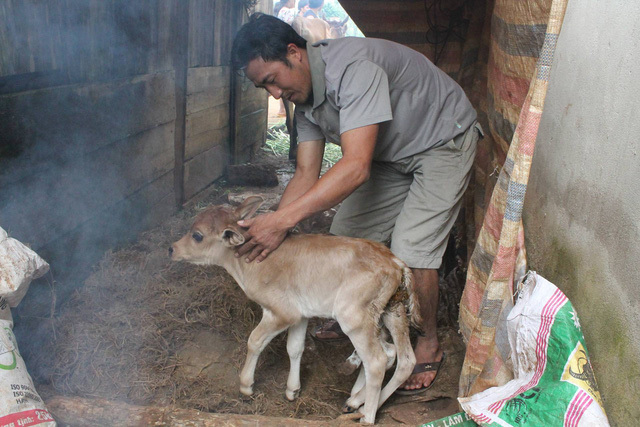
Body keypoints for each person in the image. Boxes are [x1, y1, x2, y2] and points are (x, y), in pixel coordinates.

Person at [231, 14, 482, 394]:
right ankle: (350, 306)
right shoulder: (307, 97)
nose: (274, 95)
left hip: (441, 142)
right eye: (262, 87)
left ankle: (428, 340)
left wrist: (282, 222)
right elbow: (304, 173)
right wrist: (277, 227)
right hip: (391, 155)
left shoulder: (352, 70)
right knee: (343, 236)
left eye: (271, 80)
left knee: (412, 249)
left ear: (294, 53)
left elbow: (355, 167)